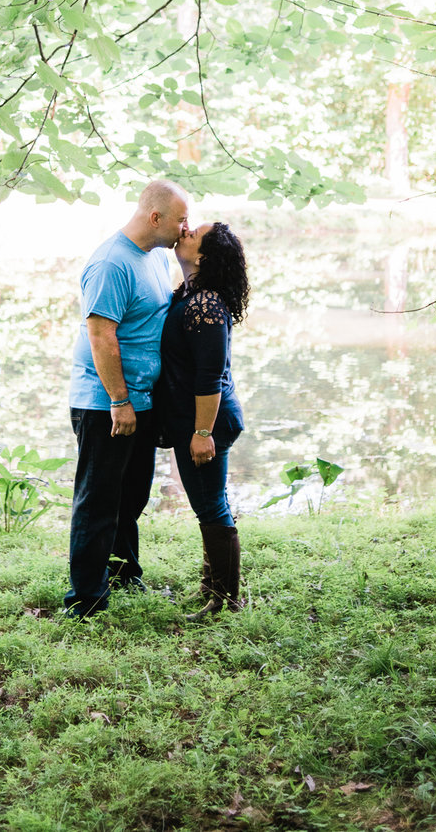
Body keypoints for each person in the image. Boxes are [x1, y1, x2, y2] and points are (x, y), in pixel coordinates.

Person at [64, 179, 190, 618]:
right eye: (180, 219)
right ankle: (86, 599)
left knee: (132, 496)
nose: (185, 228)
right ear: (156, 218)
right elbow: (101, 334)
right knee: (98, 499)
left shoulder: (155, 256)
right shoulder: (111, 264)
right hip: (106, 403)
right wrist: (120, 399)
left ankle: (123, 574)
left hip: (142, 398)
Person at [155, 220, 248, 619]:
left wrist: (201, 433)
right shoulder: (190, 294)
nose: (186, 231)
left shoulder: (206, 305)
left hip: (209, 421)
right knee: (210, 503)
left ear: (204, 256)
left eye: (195, 234)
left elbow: (210, 377)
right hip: (198, 421)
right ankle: (213, 588)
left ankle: (226, 600)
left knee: (210, 506)